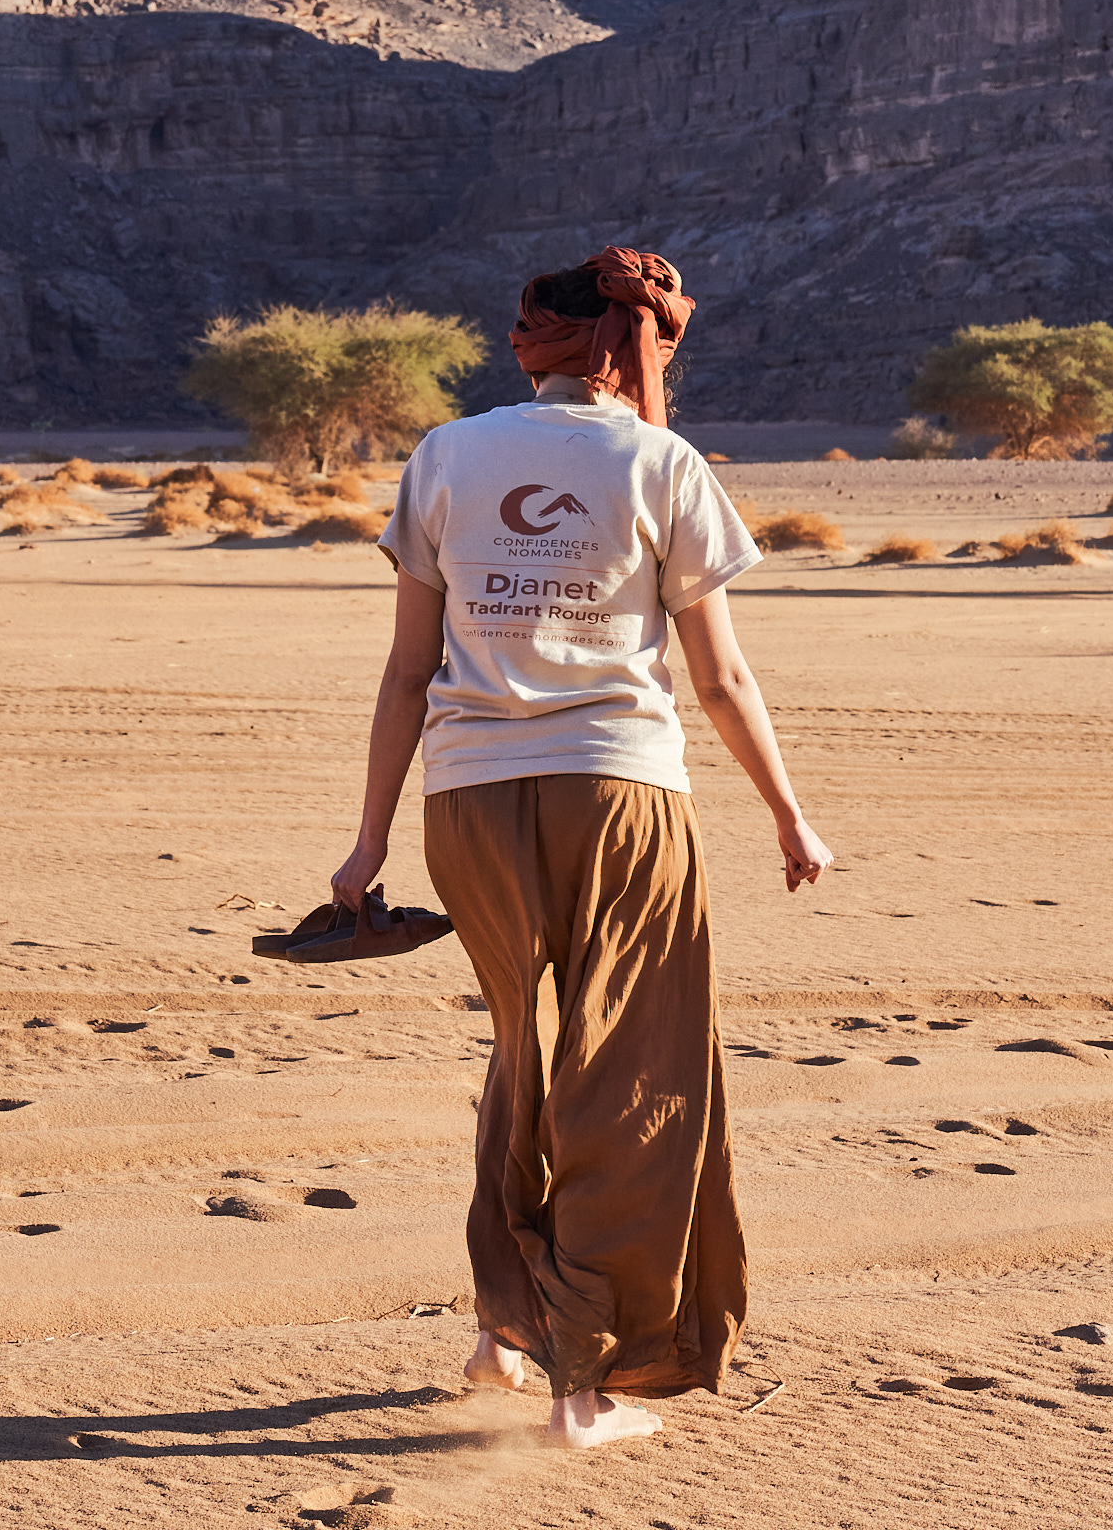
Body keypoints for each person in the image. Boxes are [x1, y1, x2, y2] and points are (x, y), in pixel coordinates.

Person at [331, 246, 833, 1450]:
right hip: (622, 794)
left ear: (537, 341)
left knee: (523, 1053)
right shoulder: (662, 462)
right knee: (631, 1069)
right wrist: (786, 807)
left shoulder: (447, 452)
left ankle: (506, 1330)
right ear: (640, 345)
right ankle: (586, 1381)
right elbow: (717, 673)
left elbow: (410, 669)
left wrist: (364, 843)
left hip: (466, 797)